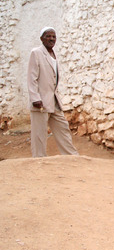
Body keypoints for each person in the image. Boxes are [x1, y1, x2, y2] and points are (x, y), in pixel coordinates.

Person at [27, 27, 78, 157]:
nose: (51, 39)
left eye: (53, 36)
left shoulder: (53, 54)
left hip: (53, 100)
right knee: (39, 133)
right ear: (41, 39)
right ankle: (39, 159)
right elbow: (31, 78)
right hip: (40, 102)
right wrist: (35, 98)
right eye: (48, 36)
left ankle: (71, 156)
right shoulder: (36, 53)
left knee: (63, 127)